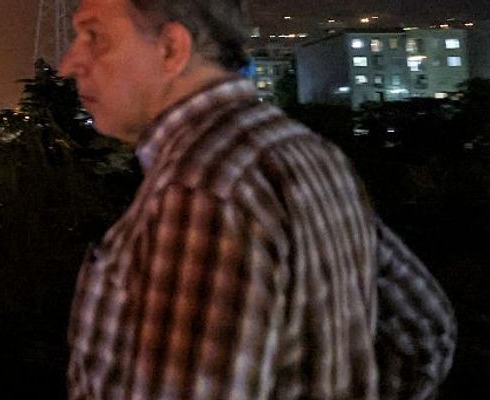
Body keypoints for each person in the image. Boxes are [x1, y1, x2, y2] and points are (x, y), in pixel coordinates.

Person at [59, 0, 456, 399]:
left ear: (171, 49)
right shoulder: (307, 152)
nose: (70, 62)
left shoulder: (203, 191)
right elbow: (423, 332)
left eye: (95, 37)